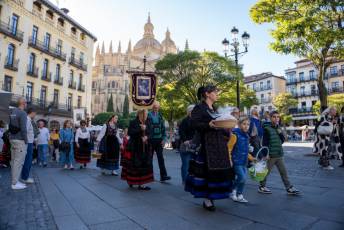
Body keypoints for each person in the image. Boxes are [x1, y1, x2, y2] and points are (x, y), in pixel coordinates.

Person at [185, 85, 232, 211]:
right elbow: (193, 124)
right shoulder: (199, 108)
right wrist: (208, 124)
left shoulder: (215, 109)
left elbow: (220, 124)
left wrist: (226, 128)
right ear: (207, 94)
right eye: (215, 92)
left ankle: (214, 195)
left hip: (218, 144)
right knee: (206, 172)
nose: (217, 94)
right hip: (206, 145)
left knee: (218, 171)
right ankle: (207, 199)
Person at [258, 111, 300, 195]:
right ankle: (262, 186)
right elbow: (264, 143)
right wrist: (266, 154)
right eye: (274, 117)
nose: (276, 118)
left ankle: (289, 188)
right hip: (271, 155)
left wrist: (280, 132)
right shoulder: (267, 129)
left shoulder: (278, 127)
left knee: (283, 172)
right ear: (270, 118)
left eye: (278, 117)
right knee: (266, 172)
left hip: (279, 154)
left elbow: (282, 140)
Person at [121, 110, 154, 190]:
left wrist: (147, 137)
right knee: (134, 164)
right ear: (140, 114)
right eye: (145, 114)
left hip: (145, 147)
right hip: (135, 147)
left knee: (144, 164)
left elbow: (151, 133)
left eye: (147, 114)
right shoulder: (133, 122)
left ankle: (142, 184)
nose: (146, 115)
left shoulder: (148, 121)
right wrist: (140, 129)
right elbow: (130, 133)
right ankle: (131, 181)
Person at [227, 117, 255, 203]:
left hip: (244, 162)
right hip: (236, 161)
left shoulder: (246, 136)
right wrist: (230, 160)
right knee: (242, 178)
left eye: (248, 124)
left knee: (243, 179)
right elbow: (228, 148)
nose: (246, 126)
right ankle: (234, 191)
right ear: (239, 125)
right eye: (244, 124)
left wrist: (252, 158)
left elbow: (245, 151)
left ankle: (238, 194)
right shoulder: (235, 135)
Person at [147, 101, 171, 182]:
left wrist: (164, 139)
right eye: (154, 107)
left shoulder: (160, 116)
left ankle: (163, 176)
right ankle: (149, 176)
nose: (156, 108)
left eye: (157, 107)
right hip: (150, 140)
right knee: (149, 159)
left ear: (159, 107)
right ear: (152, 107)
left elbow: (163, 129)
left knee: (161, 158)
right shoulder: (148, 115)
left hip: (159, 140)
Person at [8, 97, 28, 190]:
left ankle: (15, 181)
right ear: (23, 103)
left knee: (14, 161)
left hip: (12, 139)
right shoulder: (22, 113)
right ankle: (15, 183)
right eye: (26, 102)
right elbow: (23, 129)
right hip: (20, 140)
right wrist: (26, 140)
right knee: (18, 162)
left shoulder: (12, 112)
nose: (26, 104)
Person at [178, 104, 195, 184]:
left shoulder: (197, 120)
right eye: (192, 111)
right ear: (188, 112)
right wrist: (185, 140)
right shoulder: (185, 120)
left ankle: (192, 180)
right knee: (186, 164)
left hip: (195, 145)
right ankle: (185, 180)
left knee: (194, 164)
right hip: (186, 145)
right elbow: (181, 131)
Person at [20, 108, 36, 184]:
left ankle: (25, 177)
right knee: (28, 160)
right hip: (28, 143)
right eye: (35, 113)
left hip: (29, 142)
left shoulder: (28, 119)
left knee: (28, 160)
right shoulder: (27, 119)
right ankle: (24, 178)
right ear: (32, 113)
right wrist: (26, 142)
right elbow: (24, 131)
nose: (35, 115)